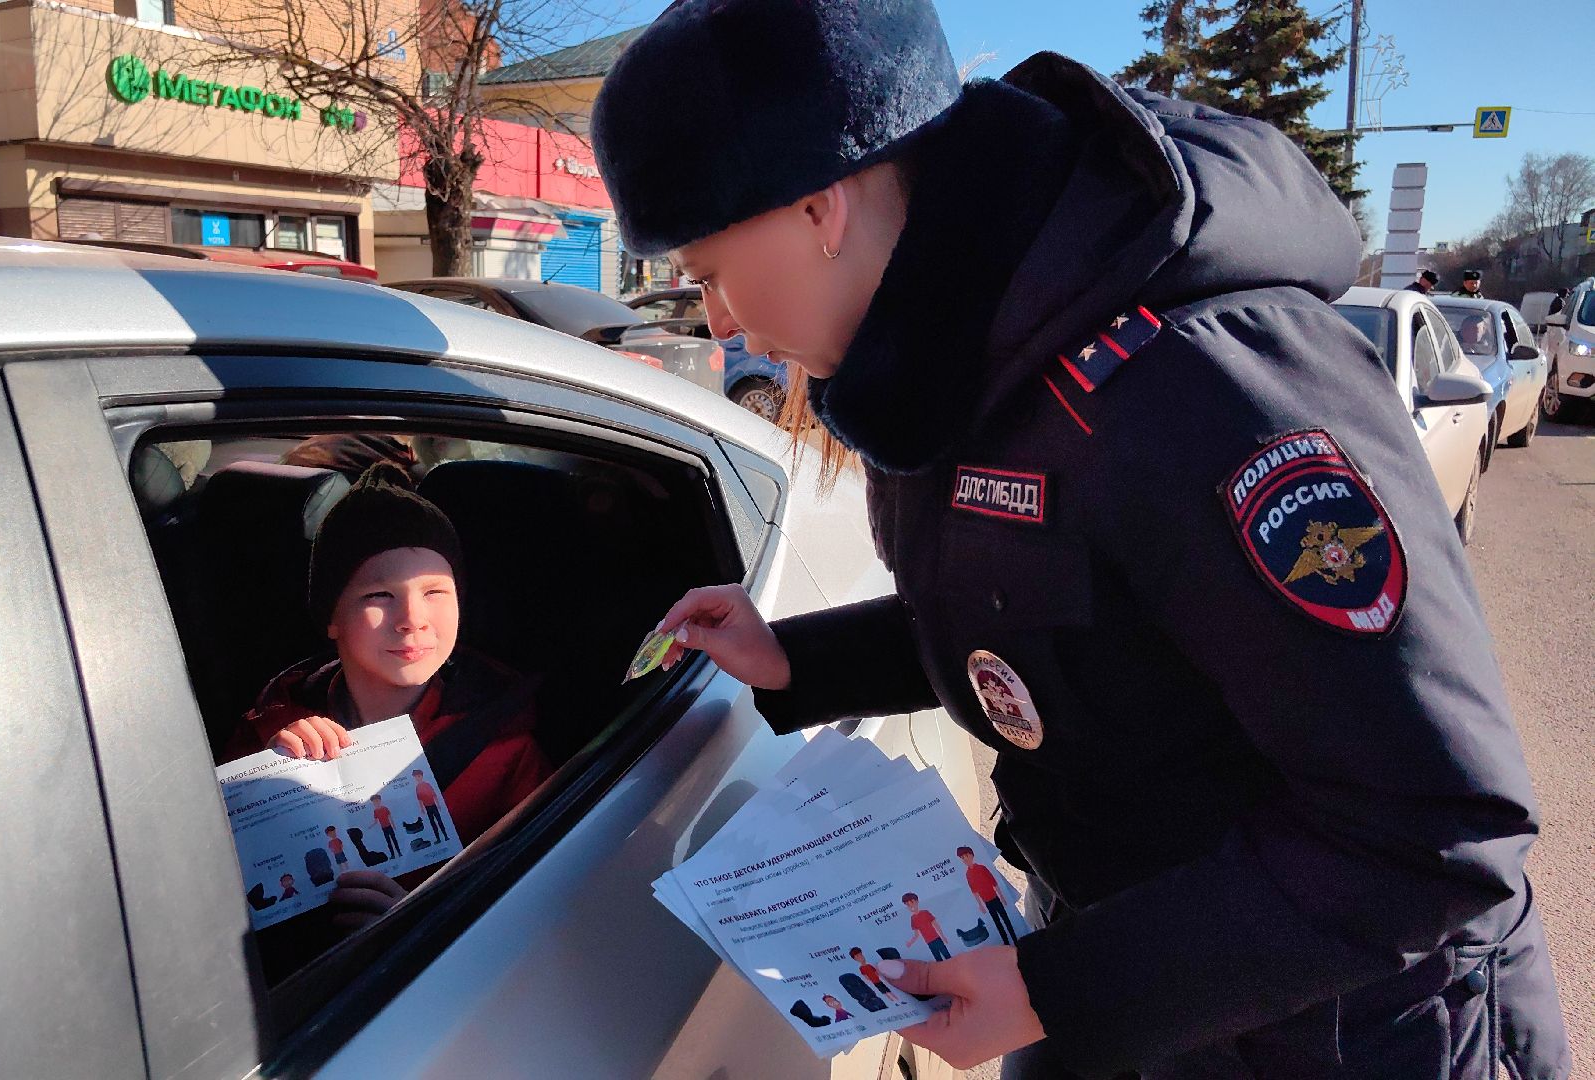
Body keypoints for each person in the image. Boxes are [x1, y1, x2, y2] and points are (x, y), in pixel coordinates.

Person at [592, 1, 1568, 1076]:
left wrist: (1063, 991)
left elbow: (1435, 828)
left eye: (709, 270)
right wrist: (799, 659)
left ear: (820, 208)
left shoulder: (1202, 380)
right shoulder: (964, 357)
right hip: (1124, 977)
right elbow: (1050, 623)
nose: (718, 323)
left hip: (1352, 1029)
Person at [225, 463, 554, 933]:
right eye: (380, 595)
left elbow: (535, 900)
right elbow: (217, 867)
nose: (412, 619)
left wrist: (421, 924)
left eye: (435, 592)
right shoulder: (270, 725)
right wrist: (271, 766)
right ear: (330, 616)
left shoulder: (504, 749)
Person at [959, 847, 1018, 946]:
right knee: (997, 923)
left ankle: (1015, 940)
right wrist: (980, 905)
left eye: (966, 856)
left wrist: (1002, 897)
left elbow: (994, 883)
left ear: (971, 855)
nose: (965, 859)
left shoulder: (982, 868)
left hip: (995, 898)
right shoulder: (968, 874)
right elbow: (974, 891)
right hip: (987, 902)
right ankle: (1006, 943)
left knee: (1006, 920)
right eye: (962, 858)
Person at [902, 893, 951, 961]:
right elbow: (916, 935)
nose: (911, 906)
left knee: (947, 956)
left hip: (937, 939)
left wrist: (943, 936)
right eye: (907, 904)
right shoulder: (913, 918)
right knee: (938, 959)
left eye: (912, 902)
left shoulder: (925, 912)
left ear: (917, 901)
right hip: (929, 942)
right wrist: (910, 942)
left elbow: (936, 925)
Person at [413, 768, 450, 844]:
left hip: (433, 805)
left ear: (421, 776)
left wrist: (438, 804)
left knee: (439, 821)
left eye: (418, 776)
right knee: (433, 823)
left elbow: (434, 795)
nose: (417, 778)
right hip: (427, 807)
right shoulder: (417, 788)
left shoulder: (427, 785)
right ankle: (438, 838)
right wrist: (422, 808)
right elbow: (420, 799)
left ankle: (446, 836)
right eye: (416, 777)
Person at [370, 794, 401, 858]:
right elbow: (376, 821)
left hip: (389, 826)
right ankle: (393, 855)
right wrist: (370, 826)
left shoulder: (385, 808)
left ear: (380, 801)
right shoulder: (375, 811)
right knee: (388, 842)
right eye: (374, 802)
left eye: (377, 801)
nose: (376, 803)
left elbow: (390, 817)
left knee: (394, 840)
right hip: (384, 828)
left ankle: (399, 852)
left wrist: (393, 825)